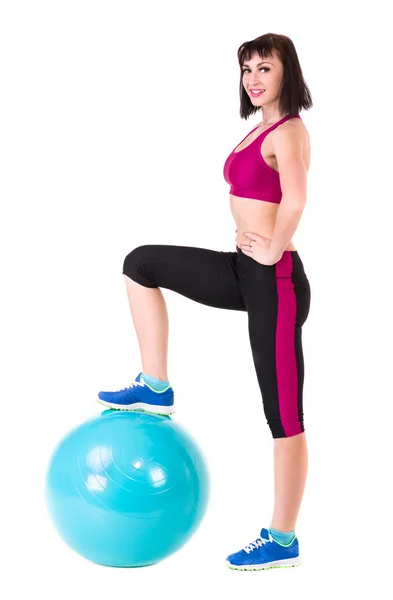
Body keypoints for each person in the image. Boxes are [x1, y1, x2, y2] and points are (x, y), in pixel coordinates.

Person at [98, 32, 313, 571]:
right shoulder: (256, 130)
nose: (254, 79)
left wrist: (274, 247)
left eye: (265, 67)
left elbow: (297, 196)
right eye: (246, 70)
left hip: (276, 283)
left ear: (288, 71)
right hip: (242, 269)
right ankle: (156, 384)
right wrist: (254, 254)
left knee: (283, 416)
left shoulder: (289, 132)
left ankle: (283, 537)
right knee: (140, 263)